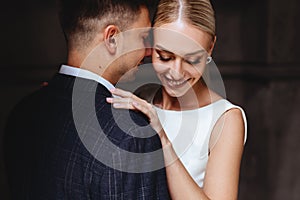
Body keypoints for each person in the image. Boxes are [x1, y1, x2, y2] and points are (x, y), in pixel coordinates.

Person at [3, 0, 170, 199]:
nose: (150, 51)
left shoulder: (22, 112)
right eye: (143, 37)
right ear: (112, 38)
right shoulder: (131, 135)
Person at [107, 0, 247, 199]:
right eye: (164, 56)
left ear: (210, 48)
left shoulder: (225, 119)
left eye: (191, 60)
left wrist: (163, 140)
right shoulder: (140, 100)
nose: (176, 72)